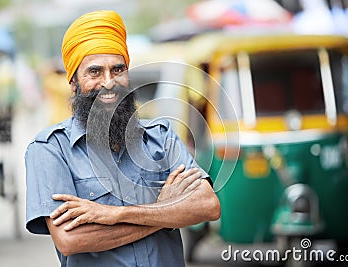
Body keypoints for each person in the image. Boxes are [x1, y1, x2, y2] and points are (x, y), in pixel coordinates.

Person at [25, 10, 220, 267]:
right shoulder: (51, 149)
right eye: (94, 72)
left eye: (118, 69)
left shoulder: (161, 137)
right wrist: (165, 210)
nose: (109, 82)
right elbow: (70, 240)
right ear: (73, 83)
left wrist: (115, 214)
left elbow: (208, 206)